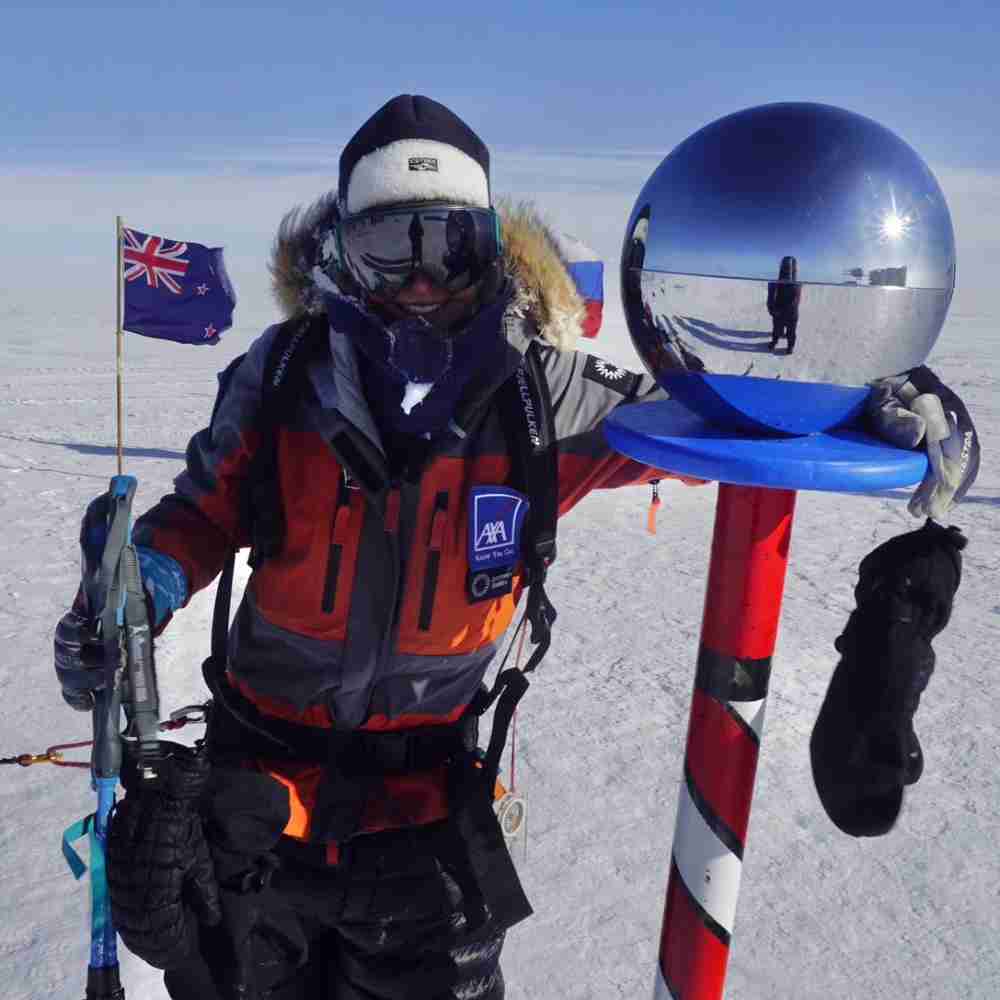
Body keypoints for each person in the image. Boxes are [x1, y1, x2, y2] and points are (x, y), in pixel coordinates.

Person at [53, 95, 980, 999]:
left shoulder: (544, 402)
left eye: (448, 245)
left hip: (426, 818)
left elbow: (717, 417)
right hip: (254, 802)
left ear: (489, 247)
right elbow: (204, 511)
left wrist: (874, 389)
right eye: (391, 245)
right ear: (343, 251)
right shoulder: (281, 377)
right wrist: (148, 580)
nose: (420, 280)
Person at [767, 254, 802, 353]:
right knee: (780, 329)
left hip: (787, 313)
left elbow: (796, 300)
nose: (788, 272)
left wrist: (772, 310)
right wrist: (772, 309)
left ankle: (788, 345)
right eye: (786, 268)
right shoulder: (778, 283)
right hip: (783, 312)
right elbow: (771, 296)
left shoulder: (796, 285)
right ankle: (777, 341)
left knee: (789, 331)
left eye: (789, 268)